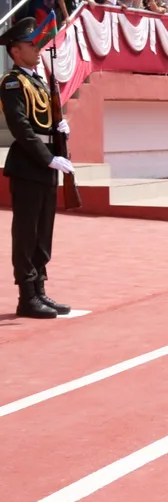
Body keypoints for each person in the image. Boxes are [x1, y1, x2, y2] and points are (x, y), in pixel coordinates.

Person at [0, 17, 74, 319]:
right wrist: (47, 157)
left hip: (46, 165)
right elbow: (21, 128)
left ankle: (40, 289)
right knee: (27, 232)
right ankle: (27, 296)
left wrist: (60, 130)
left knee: (44, 232)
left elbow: (44, 122)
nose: (38, 48)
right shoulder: (12, 82)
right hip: (29, 165)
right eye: (32, 44)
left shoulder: (40, 81)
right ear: (16, 51)